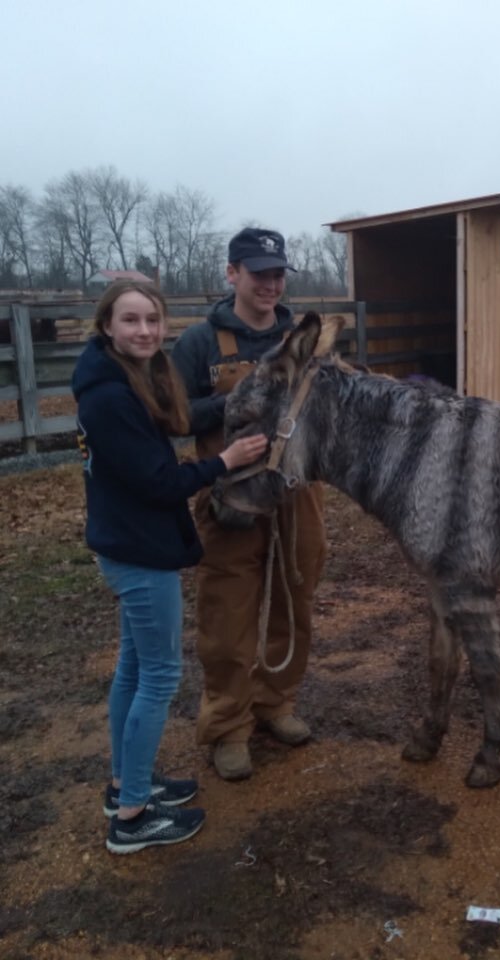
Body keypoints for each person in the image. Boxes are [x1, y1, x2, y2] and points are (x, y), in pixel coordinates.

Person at [72, 280, 268, 854]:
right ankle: (132, 817)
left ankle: (124, 785)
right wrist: (224, 462)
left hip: (127, 542)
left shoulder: (114, 379)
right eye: (131, 321)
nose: (144, 332)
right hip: (139, 552)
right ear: (106, 325)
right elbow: (159, 484)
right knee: (158, 676)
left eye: (152, 321)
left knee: (132, 671)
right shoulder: (109, 399)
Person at [172, 227, 326, 781]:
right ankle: (228, 724)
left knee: (296, 594)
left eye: (278, 273)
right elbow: (175, 416)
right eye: (259, 272)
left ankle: (275, 702)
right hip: (230, 492)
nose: (271, 283)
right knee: (228, 609)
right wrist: (235, 405)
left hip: (296, 492)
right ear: (232, 273)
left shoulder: (303, 337)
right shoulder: (199, 344)